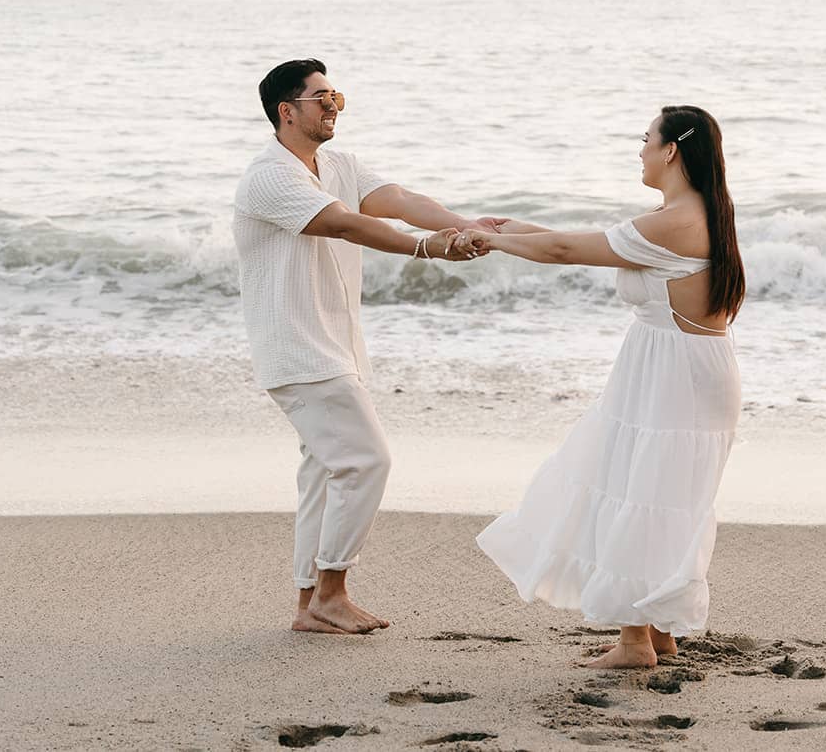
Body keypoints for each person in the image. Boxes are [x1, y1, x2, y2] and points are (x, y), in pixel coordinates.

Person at [465, 105, 746, 668]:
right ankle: (656, 629)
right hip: (675, 369)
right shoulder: (689, 213)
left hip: (675, 377)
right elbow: (583, 244)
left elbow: (569, 252)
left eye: (646, 140)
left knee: (646, 494)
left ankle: (635, 641)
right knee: (657, 495)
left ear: (670, 151)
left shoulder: (677, 220)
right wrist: (510, 229)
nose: (639, 150)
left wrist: (492, 243)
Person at [232, 59, 497, 635]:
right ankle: (332, 591)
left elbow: (397, 199)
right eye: (321, 98)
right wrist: (428, 251)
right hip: (301, 351)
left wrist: (464, 223)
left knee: (326, 472)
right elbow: (345, 224)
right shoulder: (269, 176)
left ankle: (310, 604)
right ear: (287, 111)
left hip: (335, 347)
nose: (333, 106)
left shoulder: (336, 163)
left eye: (338, 97)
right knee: (366, 461)